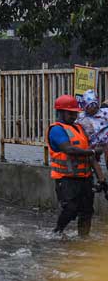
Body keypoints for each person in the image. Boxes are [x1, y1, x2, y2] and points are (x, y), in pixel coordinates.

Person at [47, 94, 106, 237]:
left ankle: (83, 238)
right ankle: (57, 232)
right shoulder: (57, 130)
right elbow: (69, 150)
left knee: (87, 211)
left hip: (85, 178)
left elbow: (91, 158)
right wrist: (92, 150)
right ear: (60, 112)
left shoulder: (79, 128)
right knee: (70, 209)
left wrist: (102, 180)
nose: (73, 116)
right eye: (70, 113)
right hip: (66, 179)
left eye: (75, 113)